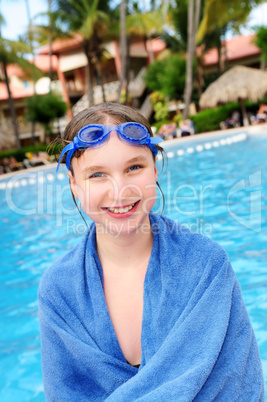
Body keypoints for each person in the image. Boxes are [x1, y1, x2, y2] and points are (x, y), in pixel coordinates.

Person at [38, 102, 264, 401]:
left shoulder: (205, 264)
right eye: (97, 175)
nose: (120, 190)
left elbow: (236, 384)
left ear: (154, 170)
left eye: (134, 167)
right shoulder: (59, 290)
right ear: (74, 185)